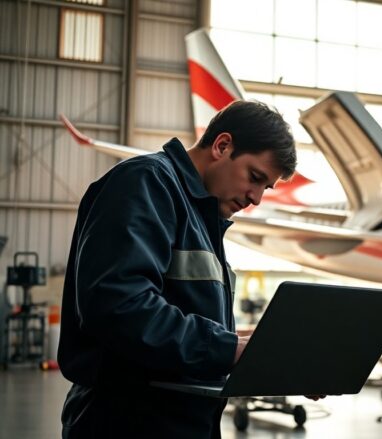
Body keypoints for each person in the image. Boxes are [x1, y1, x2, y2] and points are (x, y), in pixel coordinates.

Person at [58, 100, 297, 438]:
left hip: (179, 422)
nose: (256, 198)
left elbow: (184, 316)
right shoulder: (145, 184)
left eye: (265, 188)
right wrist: (228, 349)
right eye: (255, 177)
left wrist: (249, 344)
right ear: (222, 145)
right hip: (127, 422)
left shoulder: (202, 217)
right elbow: (119, 307)